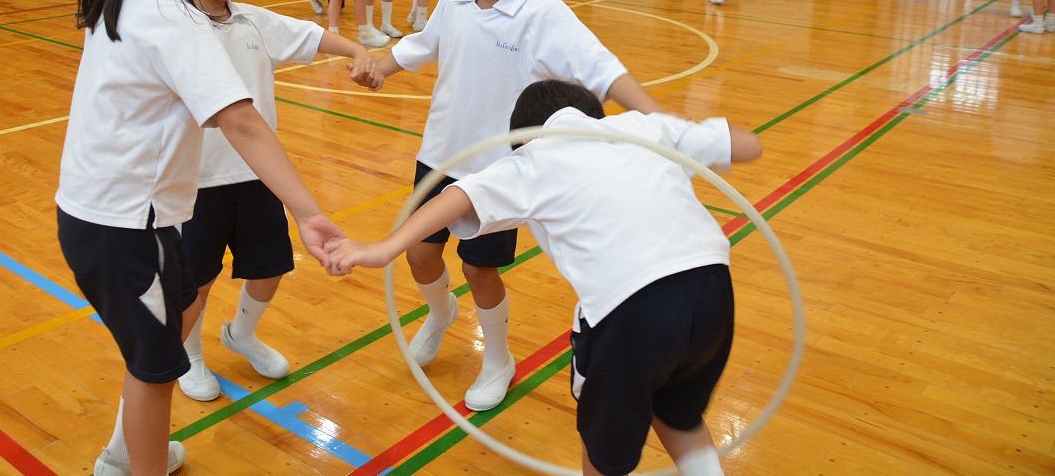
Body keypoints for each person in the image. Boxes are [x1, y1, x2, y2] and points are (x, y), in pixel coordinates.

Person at [54, 0, 345, 476]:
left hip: (108, 215)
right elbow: (241, 121)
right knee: (156, 370)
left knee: (170, 324)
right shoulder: (170, 17)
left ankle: (126, 451)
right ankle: (131, 465)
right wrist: (308, 212)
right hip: (126, 227)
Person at [325, 78, 763, 476]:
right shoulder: (642, 126)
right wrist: (679, 133)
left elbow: (457, 195)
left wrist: (384, 248)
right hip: (713, 289)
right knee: (677, 410)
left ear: (524, 137)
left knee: (605, 455)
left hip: (630, 309)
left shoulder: (534, 158)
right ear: (595, 115)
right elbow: (748, 146)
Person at [357, 0, 664, 412]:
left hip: (499, 171)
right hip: (441, 153)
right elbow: (422, 45)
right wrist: (380, 69)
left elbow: (603, 70)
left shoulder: (544, 13)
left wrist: (660, 124)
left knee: (479, 270)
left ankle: (497, 358)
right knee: (419, 253)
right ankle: (440, 314)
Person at [178, 0, 381, 402]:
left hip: (258, 176)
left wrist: (356, 49)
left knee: (269, 268)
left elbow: (311, 36)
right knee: (195, 282)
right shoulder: (178, 29)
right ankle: (189, 353)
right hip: (198, 184)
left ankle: (241, 333)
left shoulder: (253, 21)